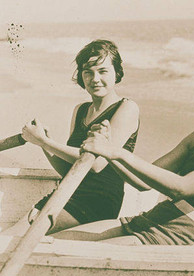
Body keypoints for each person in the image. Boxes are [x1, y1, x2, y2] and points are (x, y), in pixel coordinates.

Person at [50, 72, 194, 245]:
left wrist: (116, 152)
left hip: (180, 235)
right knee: (56, 241)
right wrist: (108, 152)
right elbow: (140, 182)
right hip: (152, 220)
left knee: (78, 252)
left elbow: (180, 188)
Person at [1, 39, 140, 236]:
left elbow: (96, 164)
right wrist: (44, 145)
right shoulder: (81, 110)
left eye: (103, 71)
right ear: (81, 76)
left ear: (117, 73)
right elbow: (68, 169)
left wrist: (45, 141)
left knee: (10, 238)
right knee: (9, 236)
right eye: (88, 72)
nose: (95, 78)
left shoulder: (126, 108)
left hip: (97, 203)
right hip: (66, 194)